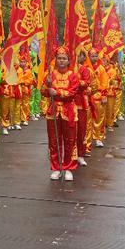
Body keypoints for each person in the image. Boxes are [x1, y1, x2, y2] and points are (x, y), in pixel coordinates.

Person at [41, 46, 79, 181]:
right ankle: (56, 168)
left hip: (69, 111)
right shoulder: (50, 75)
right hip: (54, 111)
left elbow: (72, 92)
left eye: (64, 59)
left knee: (70, 140)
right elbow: (43, 91)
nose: (62, 61)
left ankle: (68, 167)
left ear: (68, 61)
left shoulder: (73, 76)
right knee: (54, 140)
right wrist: (47, 87)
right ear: (56, 60)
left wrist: (56, 92)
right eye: (59, 58)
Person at [87, 48, 109, 149]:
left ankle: (99, 138)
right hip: (87, 97)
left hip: (98, 97)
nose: (94, 58)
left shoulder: (101, 69)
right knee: (87, 120)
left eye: (96, 56)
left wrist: (104, 95)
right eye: (92, 56)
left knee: (99, 119)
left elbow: (105, 83)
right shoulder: (85, 68)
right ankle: (87, 140)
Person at [74, 50, 91, 166]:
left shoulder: (84, 69)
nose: (78, 57)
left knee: (81, 130)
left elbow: (86, 83)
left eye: (81, 55)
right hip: (67, 103)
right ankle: (68, 155)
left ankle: (80, 154)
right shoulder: (66, 69)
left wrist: (73, 81)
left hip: (80, 103)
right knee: (67, 131)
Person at [18, 54, 33, 126]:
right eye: (21, 62)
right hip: (18, 89)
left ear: (26, 62)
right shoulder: (18, 70)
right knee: (18, 104)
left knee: (25, 104)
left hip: (25, 89)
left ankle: (25, 119)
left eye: (23, 62)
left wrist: (23, 82)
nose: (22, 63)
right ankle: (18, 119)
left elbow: (30, 80)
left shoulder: (28, 71)